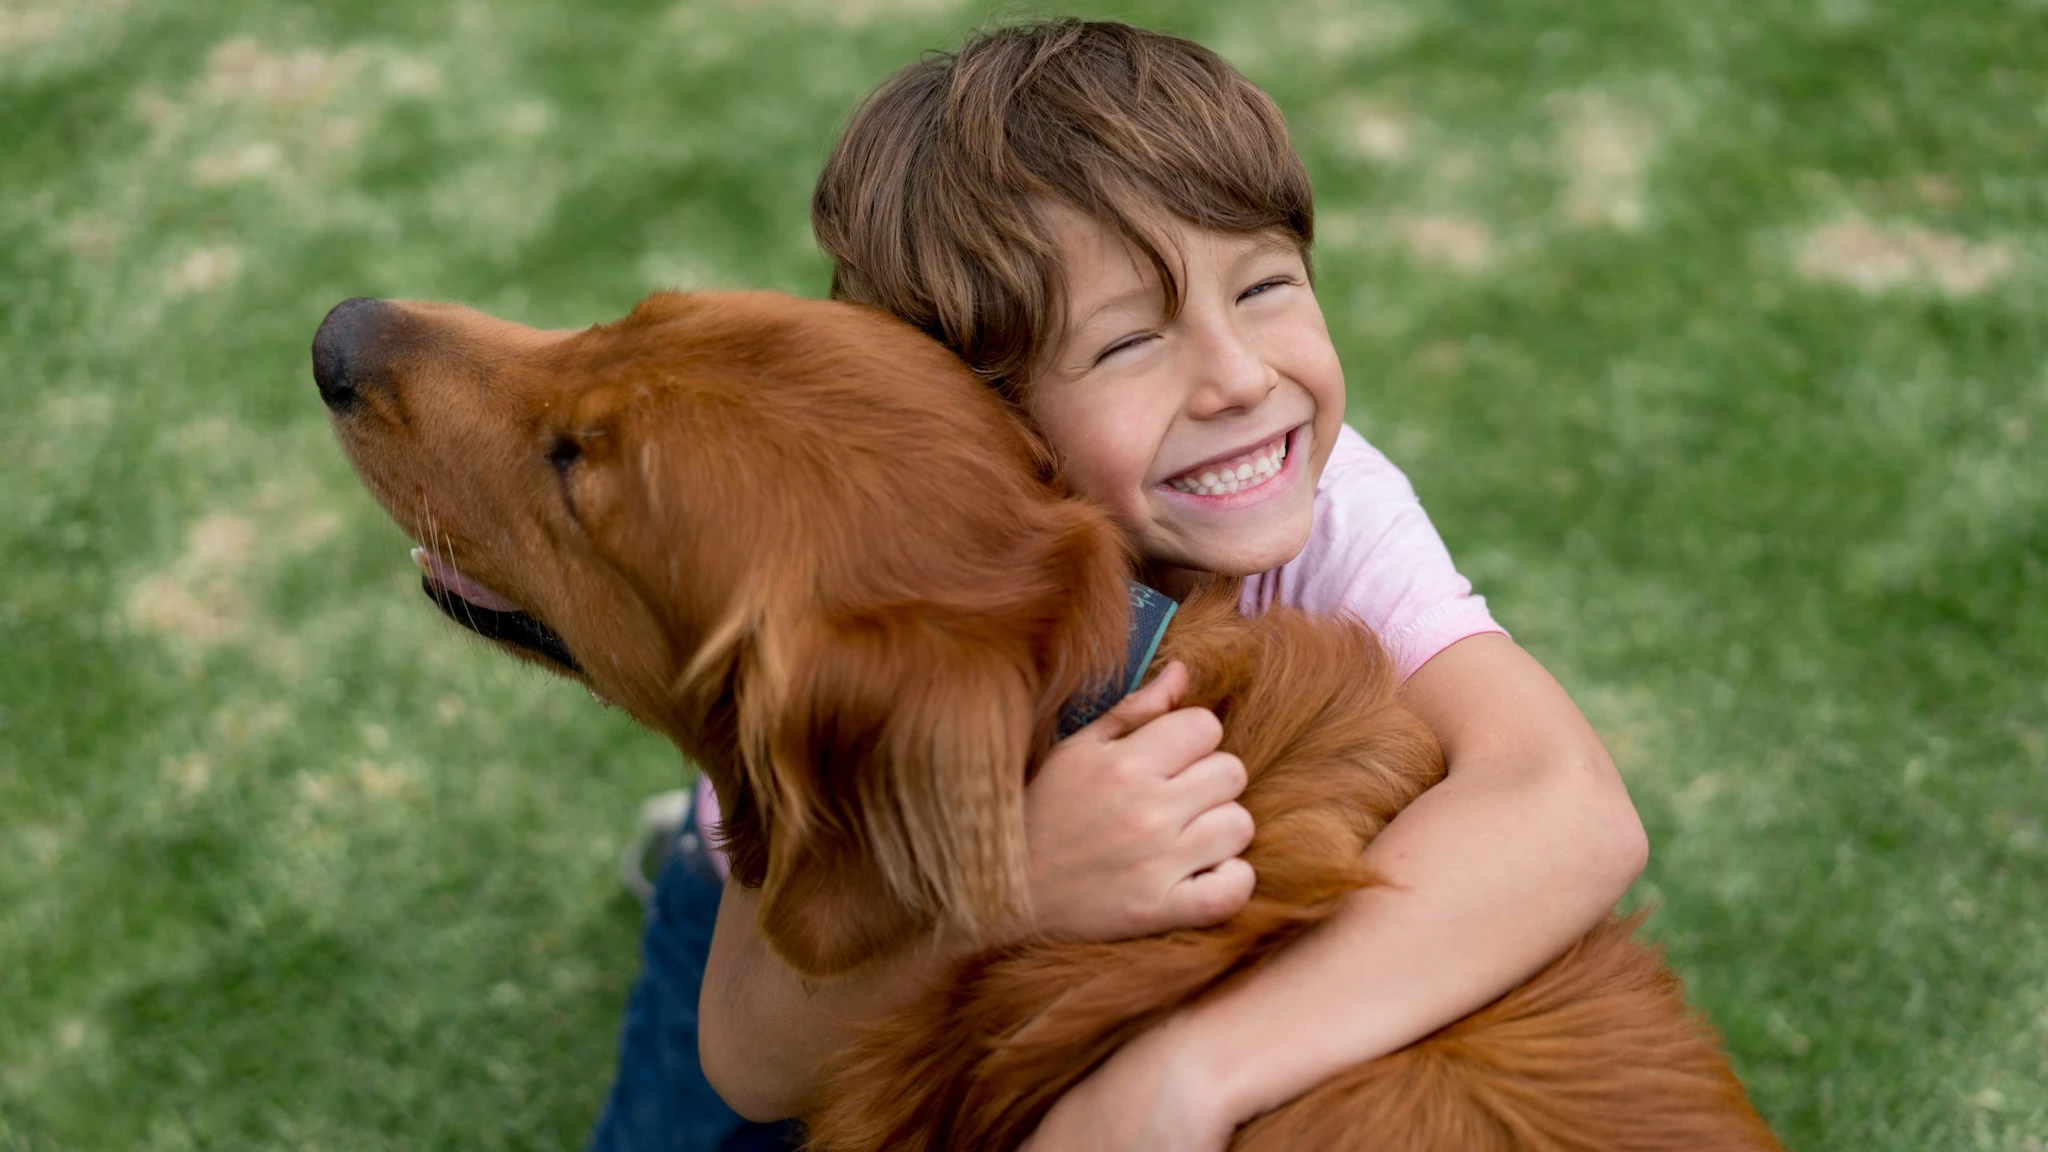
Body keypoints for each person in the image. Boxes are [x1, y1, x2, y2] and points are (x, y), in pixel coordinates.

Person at [588, 18, 1647, 1152]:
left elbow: (1567, 807)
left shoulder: (1328, 500)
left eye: (1263, 289)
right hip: (844, 884)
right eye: (1127, 345)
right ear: (987, 425)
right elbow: (753, 1062)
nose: (1241, 379)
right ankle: (691, 861)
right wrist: (1007, 892)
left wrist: (1189, 1076)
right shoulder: (857, 582)